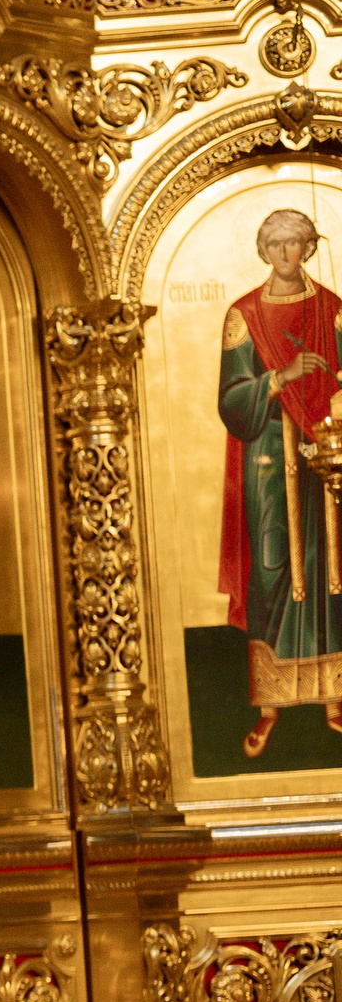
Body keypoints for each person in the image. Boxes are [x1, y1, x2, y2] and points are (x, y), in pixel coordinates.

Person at [218, 205, 342, 757]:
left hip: (326, 451)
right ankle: (269, 707)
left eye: (298, 244)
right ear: (264, 251)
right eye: (278, 245)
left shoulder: (332, 310)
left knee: (328, 567)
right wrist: (279, 379)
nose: (288, 254)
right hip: (269, 461)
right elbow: (231, 400)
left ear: (310, 249)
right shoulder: (242, 316)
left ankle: (333, 696)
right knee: (273, 568)